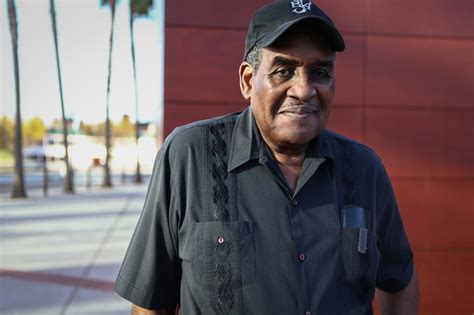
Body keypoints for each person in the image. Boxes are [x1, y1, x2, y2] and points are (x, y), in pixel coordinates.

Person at [114, 1, 420, 314]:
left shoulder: (365, 168)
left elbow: (399, 280)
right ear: (248, 80)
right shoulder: (189, 155)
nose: (303, 90)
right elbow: (152, 303)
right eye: (283, 70)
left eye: (320, 72)